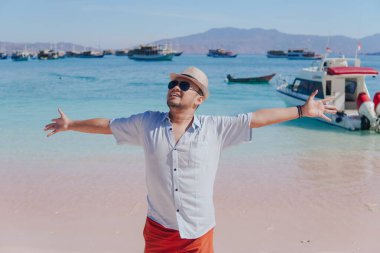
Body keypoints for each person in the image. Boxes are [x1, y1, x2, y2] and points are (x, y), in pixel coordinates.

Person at [44, 66, 337, 253]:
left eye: (185, 85)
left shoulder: (215, 128)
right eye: (174, 83)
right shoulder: (147, 123)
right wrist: (71, 125)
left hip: (197, 233)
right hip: (159, 230)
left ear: (199, 99)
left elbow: (256, 118)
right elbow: (108, 125)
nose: (176, 87)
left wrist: (301, 111)